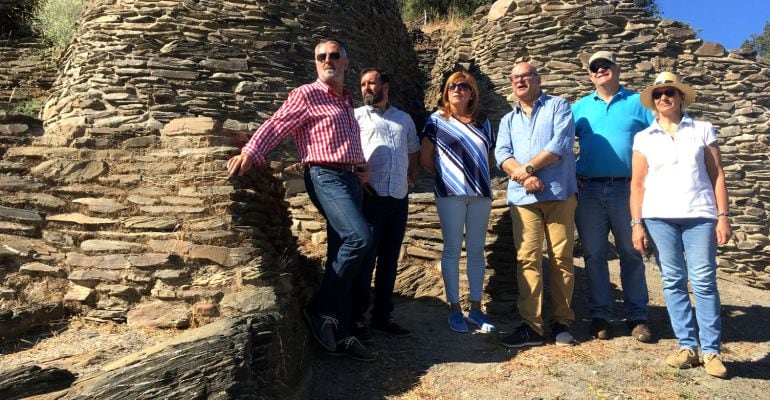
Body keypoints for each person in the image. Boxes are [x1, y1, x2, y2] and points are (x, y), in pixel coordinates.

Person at [227, 39, 375, 362]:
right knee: (360, 237)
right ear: (315, 63)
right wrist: (252, 151)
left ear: (346, 63)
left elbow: (346, 141)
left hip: (349, 178)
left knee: (347, 252)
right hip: (324, 175)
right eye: (321, 56)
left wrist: (360, 166)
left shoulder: (346, 100)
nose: (327, 60)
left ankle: (343, 331)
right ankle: (321, 311)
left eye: (334, 55)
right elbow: (278, 123)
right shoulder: (306, 94)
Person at [630, 71, 731, 378]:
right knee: (673, 281)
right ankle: (688, 346)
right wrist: (637, 223)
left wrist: (723, 216)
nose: (664, 98)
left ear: (681, 97)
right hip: (658, 216)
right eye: (659, 94)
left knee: (702, 280)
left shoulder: (702, 129)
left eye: (670, 93)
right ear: (653, 101)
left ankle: (711, 351)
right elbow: (637, 184)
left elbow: (717, 176)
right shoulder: (644, 137)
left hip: (699, 214)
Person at [572, 51, 654, 343]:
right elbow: (560, 142)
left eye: (606, 65)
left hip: (626, 189)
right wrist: (572, 170)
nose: (601, 70)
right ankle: (600, 316)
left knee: (632, 252)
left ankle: (637, 317)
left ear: (618, 69)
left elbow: (658, 138)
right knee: (594, 255)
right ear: (590, 75)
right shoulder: (580, 107)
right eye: (595, 68)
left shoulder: (638, 103)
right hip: (589, 190)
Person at [495, 62, 578, 348]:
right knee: (527, 258)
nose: (520, 81)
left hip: (558, 193)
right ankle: (532, 325)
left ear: (538, 79)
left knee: (561, 259)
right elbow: (502, 153)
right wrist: (523, 177)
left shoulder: (558, 106)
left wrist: (526, 170)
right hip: (524, 199)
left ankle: (561, 323)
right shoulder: (508, 120)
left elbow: (560, 145)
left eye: (525, 76)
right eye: (515, 77)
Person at [419, 70, 496, 334]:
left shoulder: (483, 122)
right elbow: (426, 159)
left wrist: (477, 176)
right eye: (452, 86)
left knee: (476, 250)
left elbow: (490, 157)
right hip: (450, 194)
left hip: (480, 194)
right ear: (446, 91)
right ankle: (454, 309)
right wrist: (448, 175)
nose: (457, 90)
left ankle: (476, 309)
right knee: (452, 248)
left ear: (472, 92)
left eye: (463, 86)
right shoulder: (436, 120)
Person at [350, 68, 420, 340]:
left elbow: (413, 149)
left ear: (385, 86)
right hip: (370, 197)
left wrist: (412, 176)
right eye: (363, 84)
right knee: (366, 259)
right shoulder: (356, 116)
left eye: (371, 83)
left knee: (389, 260)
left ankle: (382, 316)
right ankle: (356, 318)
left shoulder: (404, 119)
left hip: (398, 198)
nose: (367, 88)